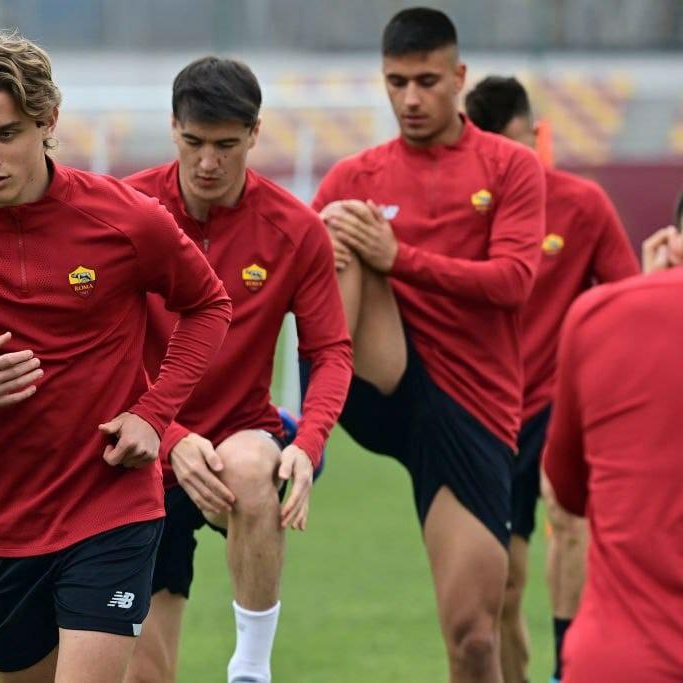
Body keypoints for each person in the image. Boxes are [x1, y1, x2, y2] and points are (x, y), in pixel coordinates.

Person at [0, 31, 232, 683]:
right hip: (0, 525)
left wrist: (154, 413)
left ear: (48, 120)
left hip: (111, 505)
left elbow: (209, 305)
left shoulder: (127, 219)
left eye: (7, 134)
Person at [313, 8, 546, 682]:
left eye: (426, 81)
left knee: (475, 637)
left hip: (473, 405)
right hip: (380, 383)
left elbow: (513, 281)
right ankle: (305, 423)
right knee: (334, 222)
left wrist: (401, 257)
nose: (410, 99)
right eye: (395, 82)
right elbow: (296, 273)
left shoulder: (509, 166)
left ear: (459, 78)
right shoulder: (359, 174)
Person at [122, 57, 352, 683]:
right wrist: (169, 438)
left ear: (254, 133)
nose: (207, 162)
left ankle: (251, 669)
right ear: (173, 127)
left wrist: (309, 444)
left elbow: (331, 351)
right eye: (194, 142)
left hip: (240, 437)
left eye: (226, 145)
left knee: (253, 468)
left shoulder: (294, 228)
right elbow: (93, 356)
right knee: (144, 677)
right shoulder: (126, 211)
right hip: (145, 449)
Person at [464, 75, 640, 683]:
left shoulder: (582, 205)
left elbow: (627, 299)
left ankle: (570, 671)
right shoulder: (467, 213)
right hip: (487, 409)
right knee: (502, 587)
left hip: (562, 406)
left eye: (523, 144)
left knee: (569, 528)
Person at [542, 228, 682, 683]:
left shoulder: (599, 315)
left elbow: (568, 489)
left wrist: (643, 296)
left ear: (673, 241)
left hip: (622, 655)